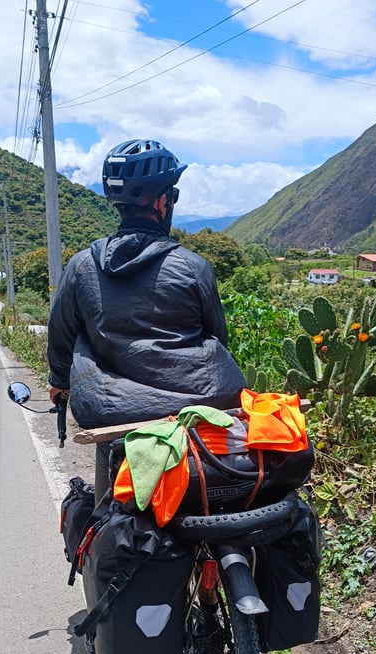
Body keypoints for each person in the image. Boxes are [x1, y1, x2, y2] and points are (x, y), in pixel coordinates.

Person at [47, 139, 246, 502]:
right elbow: (218, 339)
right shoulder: (194, 267)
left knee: (108, 513)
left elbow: (61, 337)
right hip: (203, 404)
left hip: (113, 412)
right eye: (173, 194)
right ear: (161, 201)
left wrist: (60, 382)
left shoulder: (80, 267)